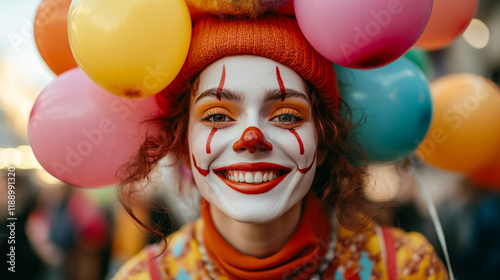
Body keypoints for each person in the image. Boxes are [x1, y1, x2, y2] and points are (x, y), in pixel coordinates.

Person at [112, 9, 449, 280]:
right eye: (217, 116)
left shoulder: (404, 269)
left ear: (323, 138)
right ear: (184, 142)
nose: (252, 139)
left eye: (287, 116)